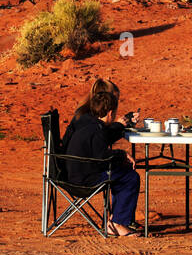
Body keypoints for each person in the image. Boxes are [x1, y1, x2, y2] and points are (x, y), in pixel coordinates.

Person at [60, 78, 142, 237]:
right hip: (84, 176)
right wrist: (121, 154)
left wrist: (120, 125)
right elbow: (101, 155)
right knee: (130, 177)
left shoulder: (90, 120)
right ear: (109, 109)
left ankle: (116, 220)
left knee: (122, 173)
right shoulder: (92, 125)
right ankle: (118, 223)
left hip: (77, 171)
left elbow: (99, 146)